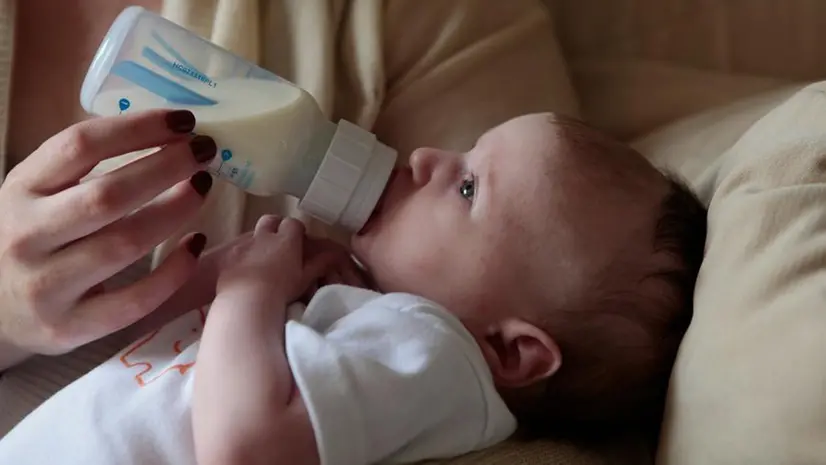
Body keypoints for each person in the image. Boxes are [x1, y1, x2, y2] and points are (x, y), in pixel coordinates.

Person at [0, 113, 707, 465]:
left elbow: (240, 445)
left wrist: (252, 287)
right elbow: (175, 354)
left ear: (512, 350)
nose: (428, 156)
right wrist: (243, 282)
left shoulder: (436, 354)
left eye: (466, 187)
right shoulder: (376, 326)